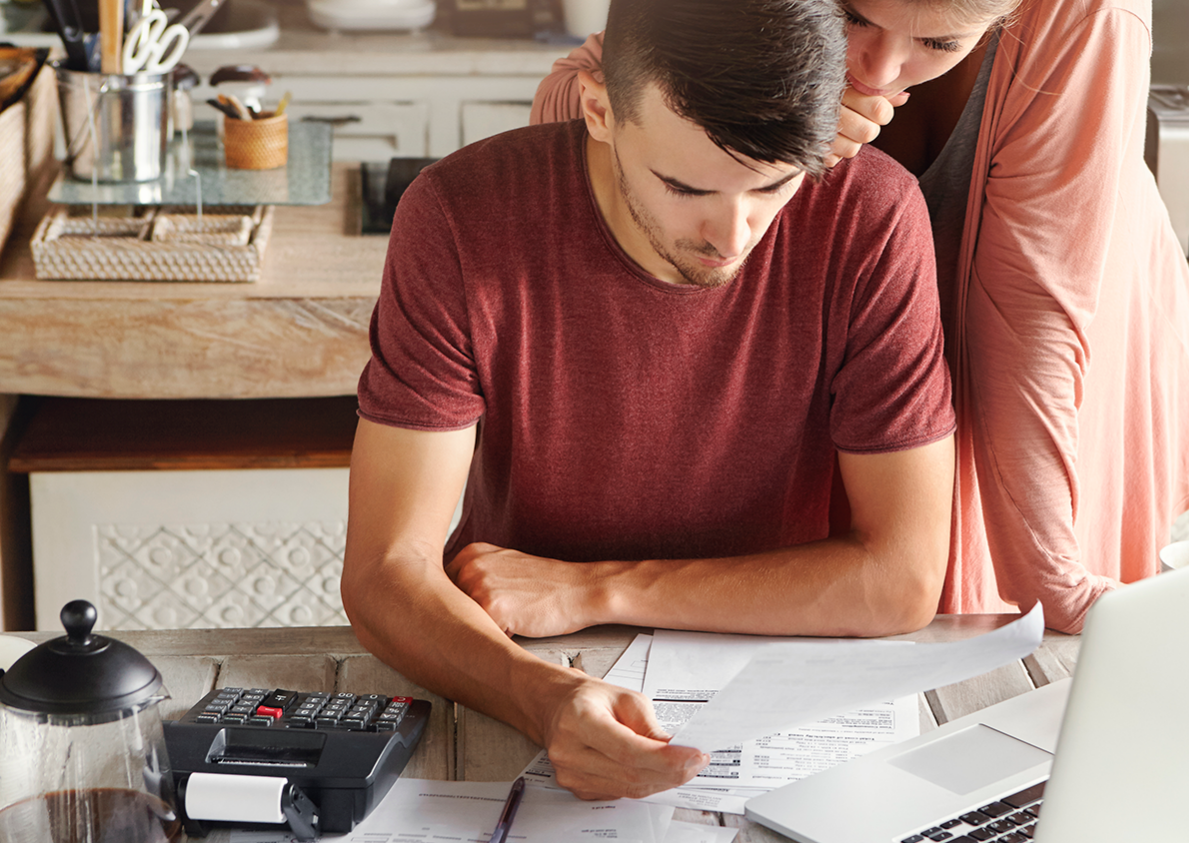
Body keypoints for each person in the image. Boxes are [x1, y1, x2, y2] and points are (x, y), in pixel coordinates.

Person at [343, 0, 957, 801]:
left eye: (774, 185)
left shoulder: (873, 215)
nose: (732, 235)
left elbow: (901, 579)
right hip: (514, 659)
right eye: (686, 186)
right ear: (600, 109)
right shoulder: (461, 215)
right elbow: (386, 569)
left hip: (779, 685)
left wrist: (594, 587)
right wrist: (543, 698)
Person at [532, 0, 1189, 634]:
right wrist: (769, 113)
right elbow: (577, 103)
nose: (880, 70)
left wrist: (1053, 574)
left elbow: (1032, 318)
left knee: (982, 628)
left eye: (939, 41)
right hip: (852, 346)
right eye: (853, 15)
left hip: (1051, 352)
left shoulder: (1091, 17)